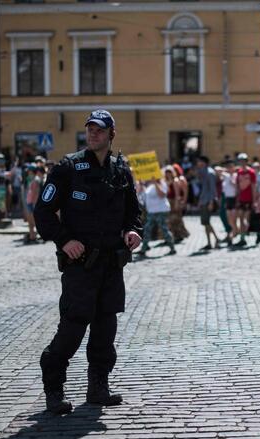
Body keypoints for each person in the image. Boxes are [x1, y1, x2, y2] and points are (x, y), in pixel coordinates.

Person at [34, 110, 143, 413]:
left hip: (111, 265)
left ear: (111, 134)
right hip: (80, 265)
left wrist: (134, 231)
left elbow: (134, 211)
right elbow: (42, 211)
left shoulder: (121, 168)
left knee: (105, 329)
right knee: (72, 328)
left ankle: (98, 387)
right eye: (90, 129)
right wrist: (64, 240)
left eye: (99, 130)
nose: (93, 134)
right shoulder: (68, 167)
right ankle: (54, 389)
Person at [138, 176, 176, 256]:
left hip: (160, 211)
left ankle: (172, 247)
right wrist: (142, 185)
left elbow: (162, 194)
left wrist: (155, 183)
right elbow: (145, 195)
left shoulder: (162, 183)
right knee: (147, 229)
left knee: (164, 229)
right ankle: (143, 249)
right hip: (151, 211)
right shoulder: (150, 186)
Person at [195, 155, 219, 250]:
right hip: (204, 200)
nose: (197, 163)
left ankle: (216, 239)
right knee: (205, 223)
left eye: (199, 161)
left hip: (208, 201)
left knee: (206, 222)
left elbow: (213, 190)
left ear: (203, 163)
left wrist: (211, 202)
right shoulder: (203, 173)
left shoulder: (209, 173)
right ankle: (210, 242)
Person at [234, 153, 256, 246]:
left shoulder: (251, 172)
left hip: (249, 198)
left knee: (246, 218)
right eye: (240, 161)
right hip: (241, 199)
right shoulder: (238, 172)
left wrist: (254, 201)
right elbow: (238, 186)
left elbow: (253, 187)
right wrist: (237, 198)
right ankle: (242, 238)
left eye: (244, 161)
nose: (242, 163)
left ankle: (244, 235)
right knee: (240, 218)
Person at [221, 160, 238, 245]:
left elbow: (237, 187)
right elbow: (217, 170)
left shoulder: (236, 176)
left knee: (233, 219)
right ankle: (234, 232)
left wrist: (232, 182)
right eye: (228, 167)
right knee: (229, 219)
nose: (230, 168)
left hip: (234, 199)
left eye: (231, 167)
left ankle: (233, 234)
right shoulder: (226, 176)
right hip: (227, 199)